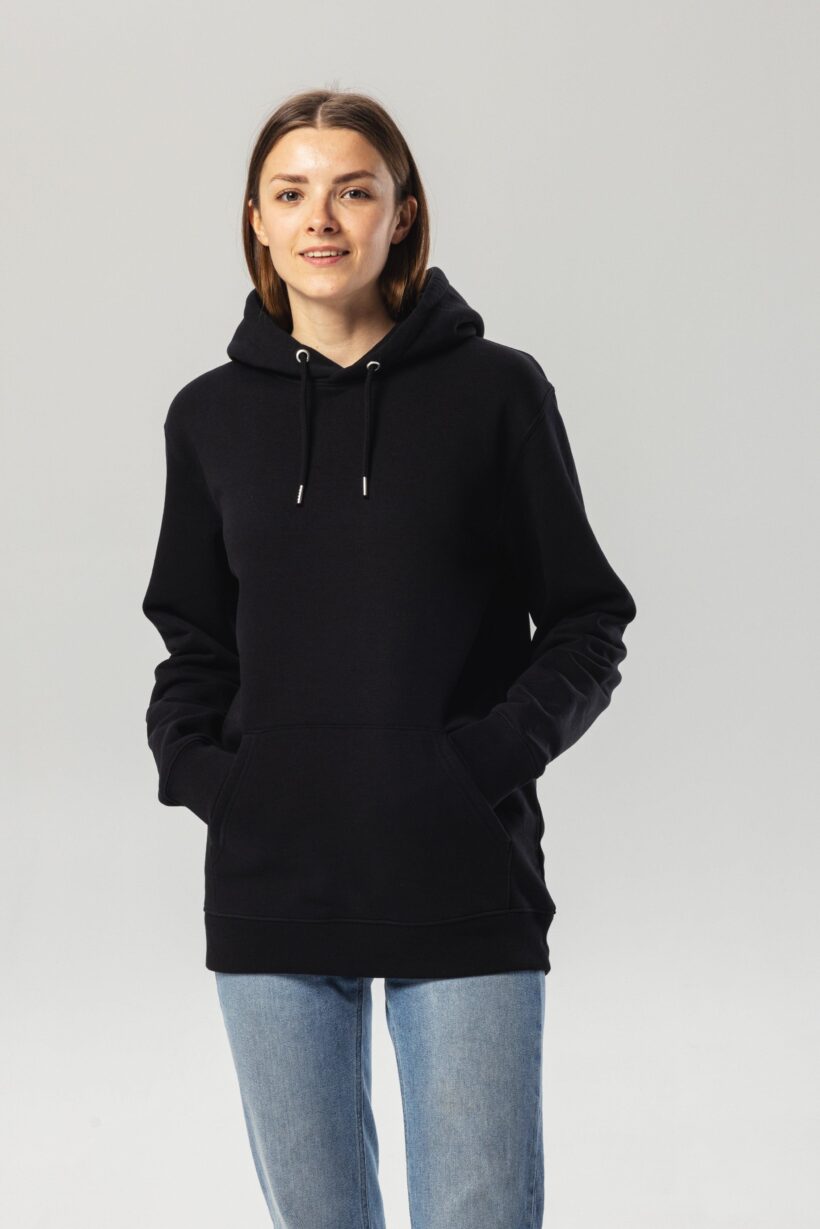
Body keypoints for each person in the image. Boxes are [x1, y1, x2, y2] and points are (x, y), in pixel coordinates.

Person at [142, 88, 637, 1229]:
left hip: (460, 874)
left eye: (353, 190)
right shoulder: (208, 416)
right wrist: (215, 778)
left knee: (479, 1213)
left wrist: (476, 766)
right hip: (273, 880)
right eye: (291, 193)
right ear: (257, 220)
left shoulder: (497, 392)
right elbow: (192, 643)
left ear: (402, 213)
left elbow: (586, 617)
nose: (321, 218)